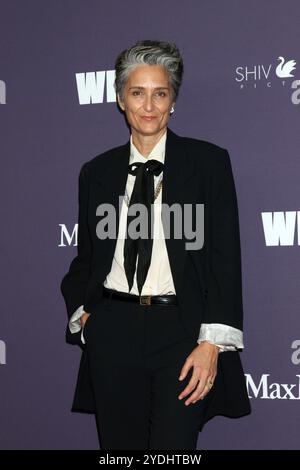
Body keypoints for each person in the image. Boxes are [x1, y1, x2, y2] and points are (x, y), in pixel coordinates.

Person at [61, 39, 251, 450]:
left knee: (173, 452)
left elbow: (225, 259)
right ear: (120, 100)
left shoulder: (207, 164)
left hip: (180, 334)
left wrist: (211, 343)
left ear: (173, 102)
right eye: (138, 93)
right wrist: (87, 315)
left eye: (160, 93)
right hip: (113, 329)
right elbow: (88, 258)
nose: (149, 106)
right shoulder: (97, 171)